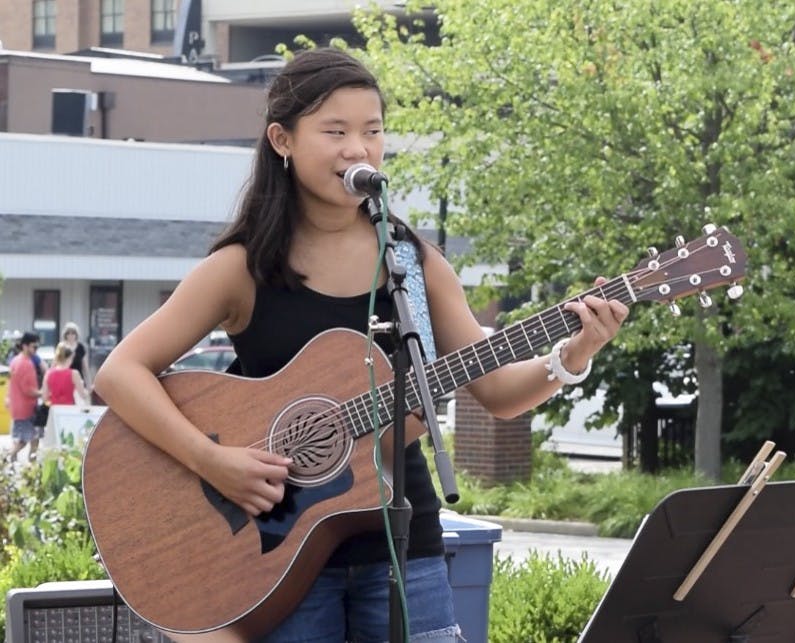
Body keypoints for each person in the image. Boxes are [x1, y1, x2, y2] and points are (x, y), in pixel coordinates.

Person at [93, 47, 628, 642]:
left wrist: (573, 354)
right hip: (271, 553)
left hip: (402, 547)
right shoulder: (242, 268)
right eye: (336, 131)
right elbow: (121, 373)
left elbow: (497, 391)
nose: (359, 149)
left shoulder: (412, 265)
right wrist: (214, 461)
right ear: (283, 140)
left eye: (372, 131)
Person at [6, 332, 43, 463]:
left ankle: (23, 463)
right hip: (26, 409)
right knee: (24, 441)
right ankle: (6, 458)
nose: (35, 350)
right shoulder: (26, 364)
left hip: (18, 407)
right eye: (34, 347)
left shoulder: (15, 360)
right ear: (25, 346)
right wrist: (43, 393)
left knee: (32, 438)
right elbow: (28, 390)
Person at [42, 342, 90, 407]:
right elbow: (83, 395)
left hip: (53, 409)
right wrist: (90, 390)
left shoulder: (48, 373)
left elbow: (44, 398)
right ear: (69, 357)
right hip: (69, 409)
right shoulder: (74, 373)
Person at [61, 322, 91, 391]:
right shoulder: (61, 347)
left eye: (73, 333)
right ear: (65, 335)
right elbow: (56, 364)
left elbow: (85, 368)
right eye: (68, 333)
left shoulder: (80, 347)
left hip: (78, 381)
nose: (70, 335)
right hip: (64, 380)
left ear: (76, 335)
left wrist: (89, 384)